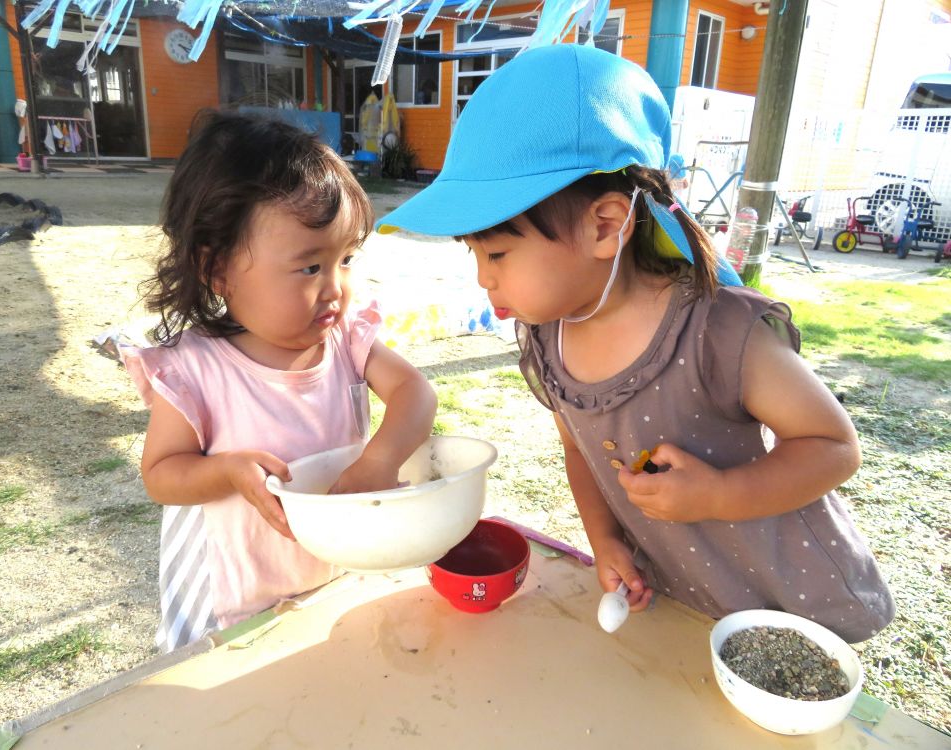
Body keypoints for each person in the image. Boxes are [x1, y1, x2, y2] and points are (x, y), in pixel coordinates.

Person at [376, 45, 894, 643]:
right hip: (681, 602)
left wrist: (721, 494)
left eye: (497, 253)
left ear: (605, 225)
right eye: (474, 254)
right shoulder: (548, 337)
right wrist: (606, 540)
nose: (484, 278)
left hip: (787, 598)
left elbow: (833, 446)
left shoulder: (718, 332)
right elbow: (580, 451)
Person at [123, 111, 437, 652]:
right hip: (231, 599)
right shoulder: (196, 368)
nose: (336, 288)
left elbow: (416, 393)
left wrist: (379, 460)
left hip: (332, 576)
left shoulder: (346, 344)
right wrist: (226, 471)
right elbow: (161, 475)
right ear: (217, 268)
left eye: (346, 260)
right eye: (310, 267)